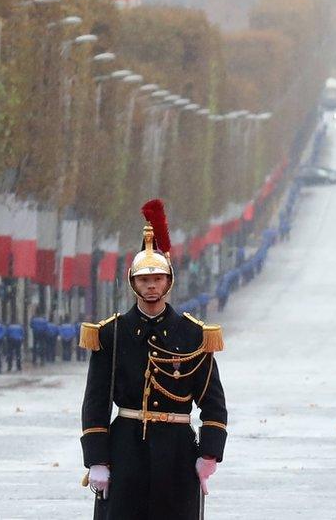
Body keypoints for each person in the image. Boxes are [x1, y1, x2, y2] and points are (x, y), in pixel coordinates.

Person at [80, 199, 228, 519]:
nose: (151, 286)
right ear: (133, 283)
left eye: (157, 279)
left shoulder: (191, 334)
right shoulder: (112, 333)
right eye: (144, 280)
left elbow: (213, 401)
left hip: (177, 453)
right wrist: (97, 459)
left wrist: (209, 453)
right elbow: (96, 401)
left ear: (168, 282)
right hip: (125, 450)